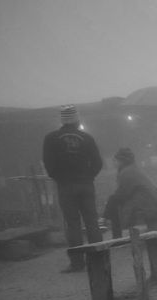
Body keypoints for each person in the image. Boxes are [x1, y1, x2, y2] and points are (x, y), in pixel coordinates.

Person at [42, 105, 104, 272]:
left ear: (62, 120)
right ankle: (99, 259)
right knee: (92, 222)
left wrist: (59, 178)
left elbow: (48, 165)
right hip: (86, 184)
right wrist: (89, 176)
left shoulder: (51, 138)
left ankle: (77, 263)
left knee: (73, 224)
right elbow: (98, 162)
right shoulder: (87, 138)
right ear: (77, 120)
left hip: (65, 186)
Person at [102, 147, 157, 238]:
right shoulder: (133, 169)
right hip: (154, 202)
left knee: (113, 201)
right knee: (113, 200)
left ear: (121, 161)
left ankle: (112, 231)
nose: (114, 163)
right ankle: (105, 221)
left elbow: (123, 194)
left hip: (147, 204)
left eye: (115, 160)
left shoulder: (127, 172)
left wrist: (109, 204)